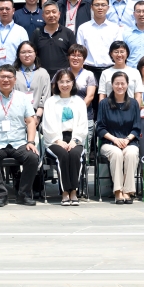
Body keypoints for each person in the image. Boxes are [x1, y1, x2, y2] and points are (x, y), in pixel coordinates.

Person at [0, 65, 40, 207]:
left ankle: (23, 194)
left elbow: (31, 121)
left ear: (14, 79)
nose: (5, 80)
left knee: (32, 157)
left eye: (9, 77)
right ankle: (1, 195)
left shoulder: (22, 98)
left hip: (19, 142)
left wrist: (30, 142)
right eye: (2, 77)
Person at [42, 69, 87, 205]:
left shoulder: (79, 101)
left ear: (73, 83)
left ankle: (74, 191)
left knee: (74, 155)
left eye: (68, 81)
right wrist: (58, 140)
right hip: (54, 140)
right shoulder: (50, 102)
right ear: (56, 83)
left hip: (75, 139)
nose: (65, 85)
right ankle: (65, 192)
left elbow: (83, 124)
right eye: (61, 81)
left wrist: (75, 140)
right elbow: (47, 125)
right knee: (62, 155)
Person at [96, 71, 141, 204]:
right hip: (109, 143)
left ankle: (128, 191)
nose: (120, 86)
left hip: (129, 142)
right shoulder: (104, 103)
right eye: (117, 83)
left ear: (127, 85)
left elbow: (137, 127)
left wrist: (127, 139)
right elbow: (100, 128)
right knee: (116, 153)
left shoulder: (134, 104)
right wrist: (115, 139)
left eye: (123, 83)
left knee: (132, 153)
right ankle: (117, 191)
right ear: (112, 85)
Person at [76, 0, 120, 79]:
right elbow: (80, 51)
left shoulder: (115, 28)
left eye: (103, 5)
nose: (100, 8)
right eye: (97, 5)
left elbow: (118, 50)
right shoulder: (83, 28)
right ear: (91, 7)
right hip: (88, 70)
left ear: (108, 7)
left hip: (110, 70)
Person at [0, 0, 29, 69]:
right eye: (1, 9)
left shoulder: (21, 31)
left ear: (13, 10)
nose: (4, 11)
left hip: (14, 70)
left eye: (7, 9)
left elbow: (25, 52)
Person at [32, 2, 74, 76]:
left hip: (63, 76)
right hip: (42, 75)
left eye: (54, 12)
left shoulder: (68, 33)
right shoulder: (37, 33)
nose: (51, 15)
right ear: (43, 16)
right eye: (47, 13)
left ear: (59, 14)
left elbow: (73, 55)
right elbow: (32, 54)